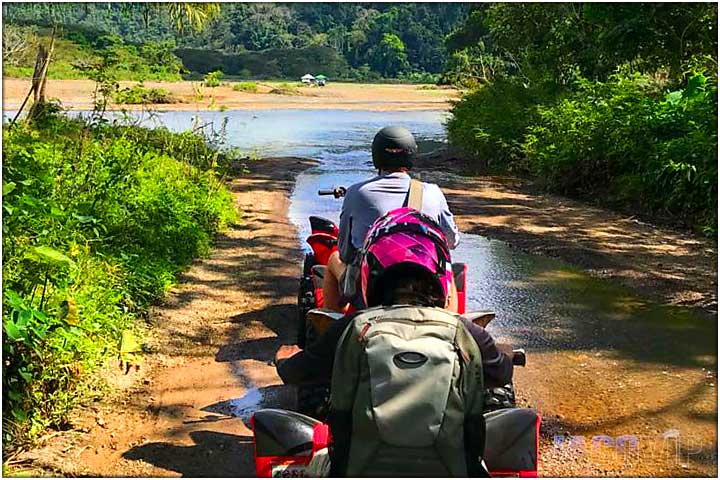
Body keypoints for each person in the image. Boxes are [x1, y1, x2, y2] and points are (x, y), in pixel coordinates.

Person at [276, 207, 513, 476]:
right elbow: (502, 374)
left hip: (358, 470)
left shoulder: (351, 328)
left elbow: (297, 373)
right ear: (441, 276)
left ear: (370, 272)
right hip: (452, 470)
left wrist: (284, 358)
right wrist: (501, 353)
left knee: (278, 431)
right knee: (517, 424)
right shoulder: (467, 332)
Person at [321, 125, 460, 312]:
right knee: (447, 270)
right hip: (424, 285)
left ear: (376, 156)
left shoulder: (356, 192)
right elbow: (451, 242)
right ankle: (452, 330)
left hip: (372, 287)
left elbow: (345, 252)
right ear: (411, 155)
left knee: (333, 258)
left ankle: (331, 327)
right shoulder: (433, 192)